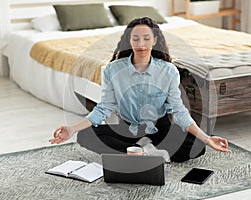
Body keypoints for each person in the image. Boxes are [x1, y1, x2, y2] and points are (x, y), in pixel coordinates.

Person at [49, 17, 231, 162]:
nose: (141, 44)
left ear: (155, 40)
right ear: (129, 40)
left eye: (146, 38)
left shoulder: (168, 70)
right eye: (135, 38)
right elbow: (103, 108)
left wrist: (207, 138)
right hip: (127, 130)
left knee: (197, 145)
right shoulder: (113, 70)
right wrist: (72, 129)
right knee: (85, 136)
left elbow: (179, 111)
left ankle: (138, 153)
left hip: (160, 129)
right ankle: (147, 152)